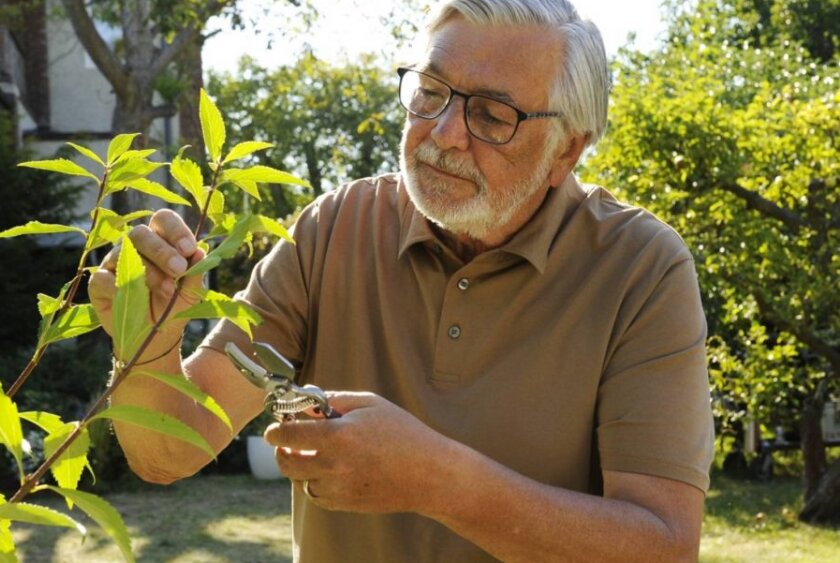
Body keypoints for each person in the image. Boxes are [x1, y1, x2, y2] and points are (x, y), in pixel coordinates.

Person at [88, 0, 715, 560]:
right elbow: (167, 452)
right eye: (430, 92)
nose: (443, 134)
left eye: (493, 115)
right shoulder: (334, 228)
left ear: (566, 151)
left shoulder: (642, 268)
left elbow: (664, 545)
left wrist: (437, 481)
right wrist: (144, 340)